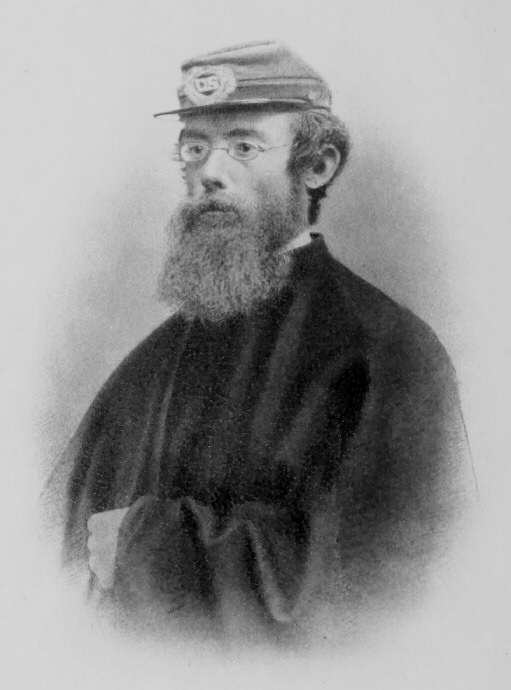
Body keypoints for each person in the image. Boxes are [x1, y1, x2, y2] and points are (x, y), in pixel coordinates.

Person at [45, 40, 475, 646]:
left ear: (317, 166)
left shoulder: (386, 349)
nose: (208, 173)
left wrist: (147, 545)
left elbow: (397, 590)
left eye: (243, 147)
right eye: (194, 148)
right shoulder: (153, 358)